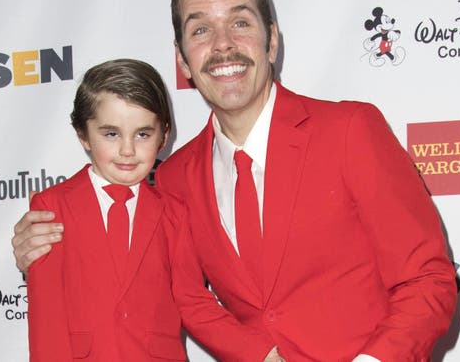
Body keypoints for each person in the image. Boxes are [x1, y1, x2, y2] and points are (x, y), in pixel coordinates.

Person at [14, 0, 457, 361]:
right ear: (183, 59)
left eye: (240, 23)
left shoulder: (349, 131)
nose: (223, 43)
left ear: (273, 39)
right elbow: (149, 287)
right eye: (202, 29)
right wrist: (42, 246)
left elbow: (428, 279)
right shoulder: (173, 178)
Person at [25, 58, 283, 362]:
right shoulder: (52, 206)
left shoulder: (173, 211)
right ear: (83, 134)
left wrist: (258, 352)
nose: (127, 150)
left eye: (142, 134)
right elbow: (47, 317)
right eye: (111, 134)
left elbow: (192, 300)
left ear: (163, 136)